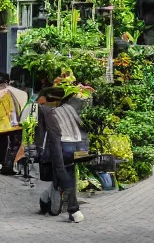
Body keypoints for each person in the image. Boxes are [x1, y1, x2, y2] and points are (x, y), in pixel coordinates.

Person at [35, 86, 87, 222]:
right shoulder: (69, 108)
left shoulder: (47, 111)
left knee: (62, 174)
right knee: (68, 174)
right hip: (76, 145)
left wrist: (40, 149)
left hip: (62, 145)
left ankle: (73, 209)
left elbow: (51, 134)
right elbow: (82, 125)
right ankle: (60, 205)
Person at [0, 73, 28, 175]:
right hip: (14, 123)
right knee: (15, 144)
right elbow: (22, 103)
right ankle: (10, 164)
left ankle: (1, 162)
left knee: (2, 143)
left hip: (0, 124)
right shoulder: (13, 92)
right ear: (8, 81)